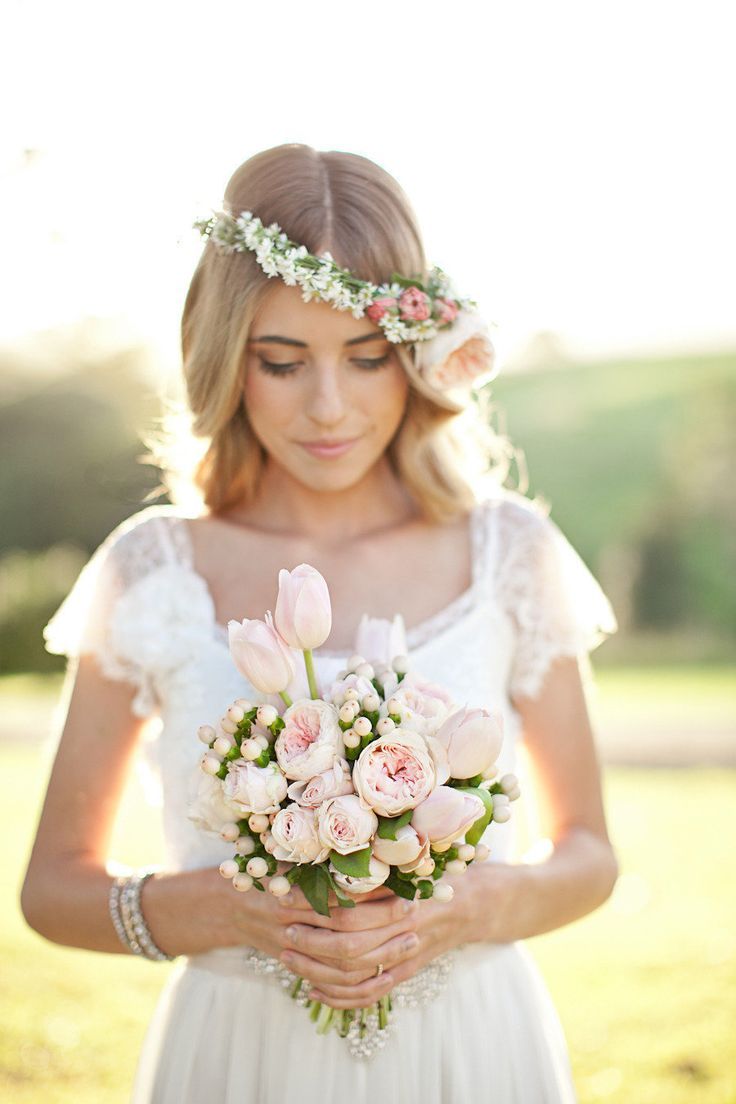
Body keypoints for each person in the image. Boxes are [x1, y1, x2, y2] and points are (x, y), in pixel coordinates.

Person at [21, 142, 620, 1103]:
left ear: (416, 354)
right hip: (236, 1058)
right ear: (228, 359)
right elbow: (50, 888)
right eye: (283, 362)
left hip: (470, 1052)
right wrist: (223, 911)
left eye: (368, 357)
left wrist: (464, 909)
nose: (329, 407)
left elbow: (590, 852)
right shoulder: (151, 568)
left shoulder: (510, 554)